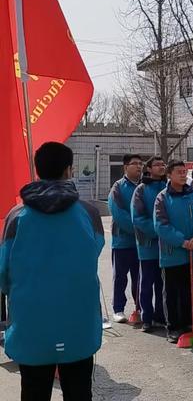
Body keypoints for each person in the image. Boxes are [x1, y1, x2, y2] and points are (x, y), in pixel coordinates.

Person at [0, 142, 104, 401]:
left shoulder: (17, 216)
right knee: (79, 391)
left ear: (37, 171)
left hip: (31, 321)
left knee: (34, 391)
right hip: (78, 321)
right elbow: (94, 252)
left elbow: (4, 271)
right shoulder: (89, 213)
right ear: (69, 170)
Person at [154, 160, 193, 343]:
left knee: (188, 290)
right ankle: (173, 327)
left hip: (192, 251)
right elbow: (161, 225)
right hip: (172, 252)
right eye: (178, 172)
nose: (183, 174)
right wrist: (182, 241)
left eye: (184, 171)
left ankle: (187, 323)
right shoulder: (162, 198)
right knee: (171, 291)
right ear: (169, 175)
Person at [131, 156, 167, 332]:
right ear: (149, 169)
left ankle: (160, 316)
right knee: (146, 283)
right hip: (147, 244)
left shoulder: (169, 188)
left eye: (163, 164)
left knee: (163, 284)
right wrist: (158, 231)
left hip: (167, 246)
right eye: (157, 165)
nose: (162, 167)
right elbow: (137, 218)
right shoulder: (141, 190)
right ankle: (146, 317)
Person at [108, 154, 142, 323]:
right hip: (122, 241)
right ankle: (118, 308)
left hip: (141, 243)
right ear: (125, 167)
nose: (138, 166)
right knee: (120, 276)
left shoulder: (144, 186)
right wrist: (138, 228)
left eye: (140, 163)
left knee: (139, 276)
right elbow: (118, 213)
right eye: (134, 163)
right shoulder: (118, 187)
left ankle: (139, 307)